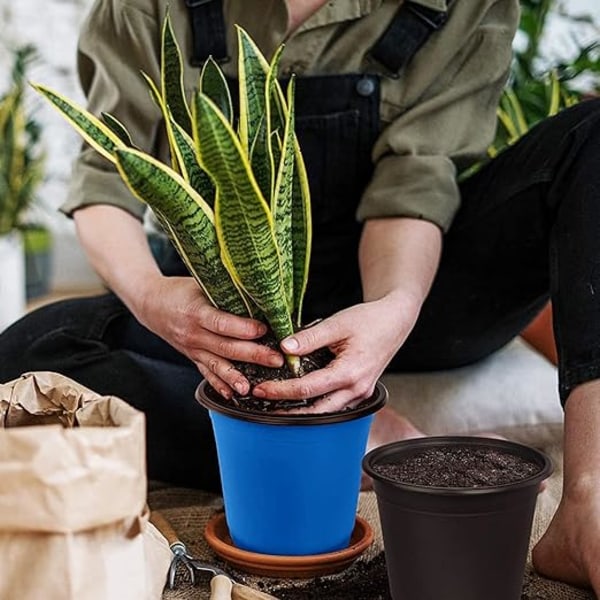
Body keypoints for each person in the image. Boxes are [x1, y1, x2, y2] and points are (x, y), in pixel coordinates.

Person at [1, 0, 599, 591]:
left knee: (591, 139)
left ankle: (590, 499)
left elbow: (412, 184)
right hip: (233, 311)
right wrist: (154, 297)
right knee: (25, 355)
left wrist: (394, 308)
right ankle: (357, 436)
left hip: (416, 287)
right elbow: (106, 184)